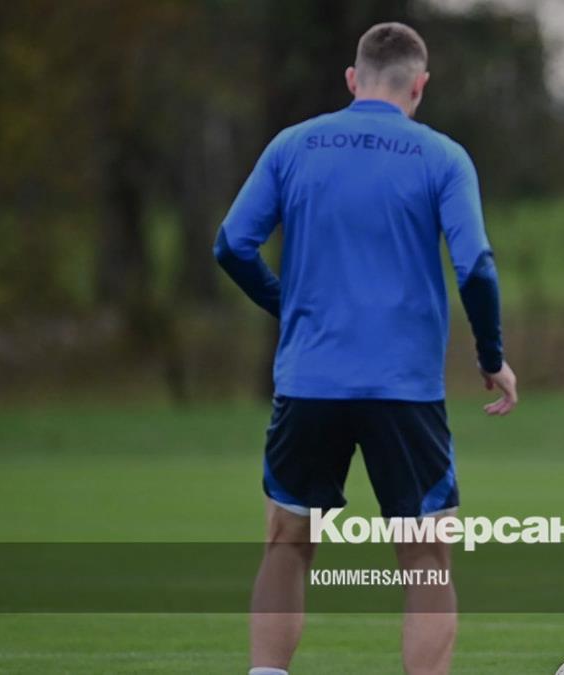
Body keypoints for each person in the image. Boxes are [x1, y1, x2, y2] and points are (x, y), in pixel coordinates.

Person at [213, 22, 517, 675]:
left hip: (309, 380)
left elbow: (232, 244)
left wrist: (288, 305)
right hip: (404, 390)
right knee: (426, 558)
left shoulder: (292, 145)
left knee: (287, 542)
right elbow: (477, 268)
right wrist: (491, 356)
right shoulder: (441, 156)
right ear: (420, 86)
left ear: (353, 80)